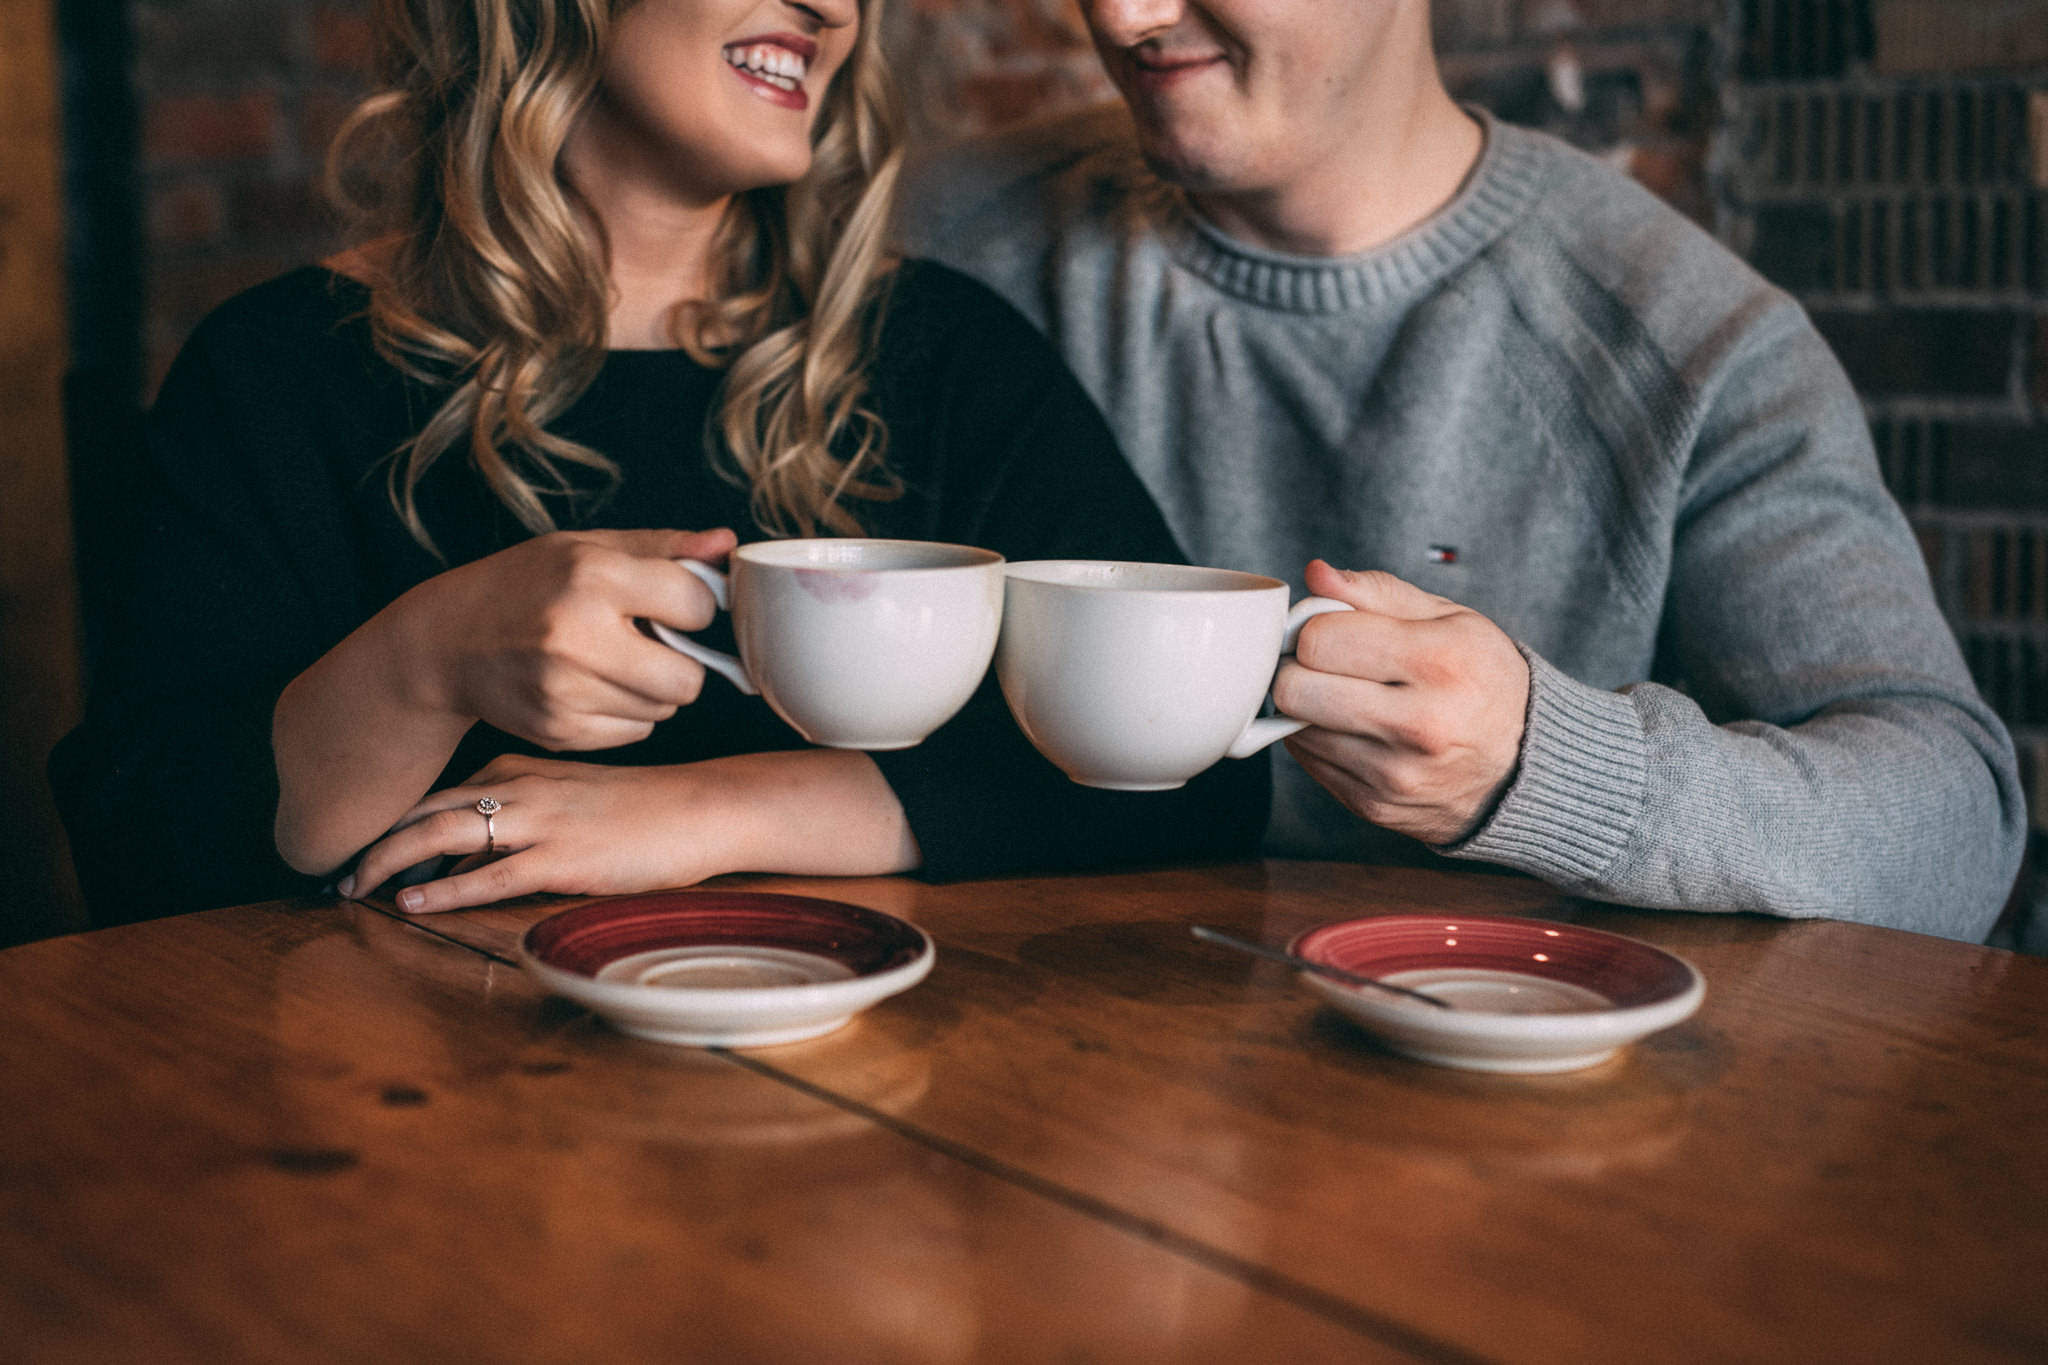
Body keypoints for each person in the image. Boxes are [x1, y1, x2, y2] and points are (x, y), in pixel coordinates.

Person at [49, 0, 1265, 922]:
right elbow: (134, 851)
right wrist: (424, 666)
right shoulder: (277, 368)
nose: (831, 7)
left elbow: (1195, 768)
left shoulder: (942, 354)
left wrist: (707, 812)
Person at [897, 0, 2027, 940]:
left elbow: (1955, 831)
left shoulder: (1689, 343)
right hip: (1013, 1066)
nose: (1122, 14)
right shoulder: (925, 241)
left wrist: (1548, 767)